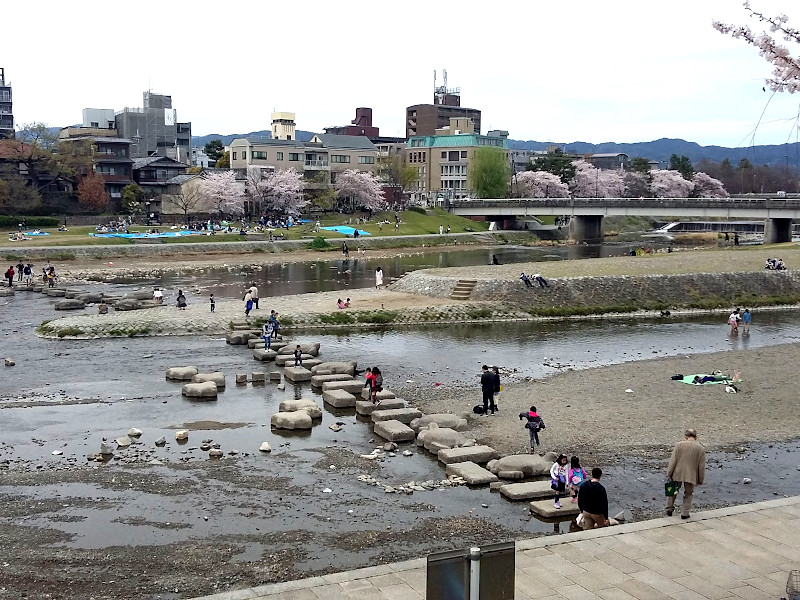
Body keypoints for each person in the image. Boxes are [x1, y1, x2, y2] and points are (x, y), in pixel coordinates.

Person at [665, 429, 706, 519]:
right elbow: (701, 466)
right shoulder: (701, 449)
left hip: (677, 472)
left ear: (686, 436)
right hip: (692, 474)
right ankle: (685, 513)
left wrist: (669, 473)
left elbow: (673, 461)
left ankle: (669, 508)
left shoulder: (679, 445)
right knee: (688, 493)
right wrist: (700, 479)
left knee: (673, 491)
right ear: (696, 437)